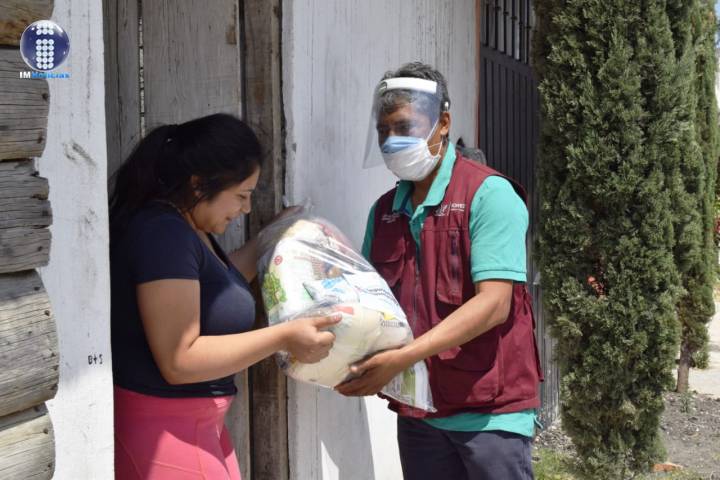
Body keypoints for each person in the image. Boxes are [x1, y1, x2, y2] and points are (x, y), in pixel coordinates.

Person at [336, 63, 543, 479]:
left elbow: (494, 305)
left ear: (443, 122)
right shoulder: (386, 212)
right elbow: (369, 304)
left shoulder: (489, 195)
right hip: (422, 411)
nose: (393, 141)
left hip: (489, 415)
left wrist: (401, 358)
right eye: (384, 131)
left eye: (405, 127)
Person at [109, 113, 339, 480]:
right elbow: (179, 360)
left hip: (196, 426)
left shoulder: (186, 229)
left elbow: (218, 285)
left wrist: (272, 236)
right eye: (241, 196)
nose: (245, 209)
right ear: (200, 184)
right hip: (165, 426)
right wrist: (284, 336)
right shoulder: (162, 234)